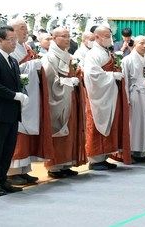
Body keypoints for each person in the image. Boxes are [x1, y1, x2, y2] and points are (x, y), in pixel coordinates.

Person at [7, 19, 53, 187]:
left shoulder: (26, 47)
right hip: (18, 96)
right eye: (22, 28)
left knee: (27, 134)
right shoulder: (10, 50)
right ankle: (12, 172)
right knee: (18, 133)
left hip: (30, 95)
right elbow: (13, 70)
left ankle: (24, 170)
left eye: (26, 28)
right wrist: (32, 64)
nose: (25, 31)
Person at [0, 26, 29, 196]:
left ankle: (3, 180)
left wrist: (21, 95)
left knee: (8, 149)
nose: (14, 43)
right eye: (10, 40)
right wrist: (14, 96)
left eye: (15, 39)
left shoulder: (12, 60)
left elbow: (16, 83)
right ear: (0, 40)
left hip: (11, 111)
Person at [82, 25, 132, 170]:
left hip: (110, 94)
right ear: (96, 37)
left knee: (111, 123)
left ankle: (103, 156)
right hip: (99, 97)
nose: (109, 38)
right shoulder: (93, 54)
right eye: (105, 35)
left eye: (109, 35)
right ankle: (95, 159)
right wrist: (111, 75)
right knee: (98, 124)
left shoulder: (105, 51)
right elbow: (92, 75)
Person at [42, 27, 85, 178]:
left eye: (68, 36)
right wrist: (68, 81)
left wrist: (77, 75)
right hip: (58, 98)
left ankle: (66, 163)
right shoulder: (50, 57)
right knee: (58, 130)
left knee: (71, 129)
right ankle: (54, 166)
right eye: (63, 36)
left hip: (69, 96)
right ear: (54, 38)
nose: (67, 39)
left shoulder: (68, 55)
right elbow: (48, 80)